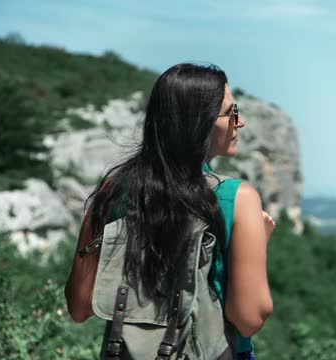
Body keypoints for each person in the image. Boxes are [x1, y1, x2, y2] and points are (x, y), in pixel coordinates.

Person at [64, 63, 274, 359]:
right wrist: (257, 246)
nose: (241, 122)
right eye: (231, 112)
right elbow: (250, 318)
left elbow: (79, 306)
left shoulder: (111, 192)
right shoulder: (236, 198)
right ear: (198, 122)